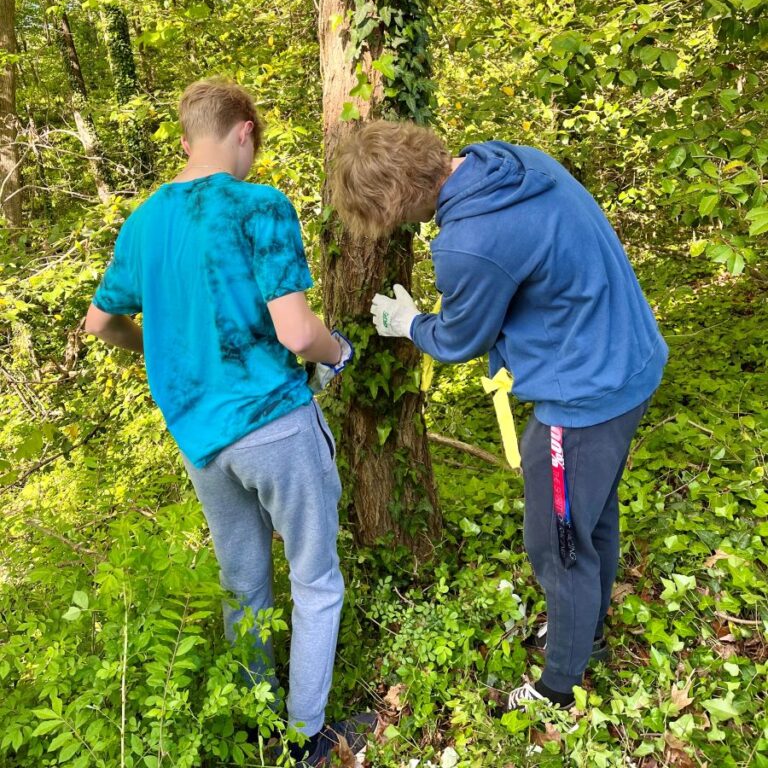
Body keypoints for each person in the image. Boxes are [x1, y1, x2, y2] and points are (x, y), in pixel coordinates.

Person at [330, 121, 668, 712]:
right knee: (591, 519)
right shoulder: (510, 163)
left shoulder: (467, 242)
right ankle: (586, 636)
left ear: (393, 203)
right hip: (631, 357)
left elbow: (462, 337)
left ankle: (559, 690)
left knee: (556, 543)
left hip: (585, 397)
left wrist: (410, 322)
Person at [85, 76, 372, 765]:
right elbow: (298, 333)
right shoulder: (258, 206)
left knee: (244, 584)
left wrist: (154, 346)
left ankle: (253, 723)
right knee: (315, 579)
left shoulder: (144, 222)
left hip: (200, 439)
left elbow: (100, 323)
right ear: (245, 129)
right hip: (272, 419)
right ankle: (307, 738)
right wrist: (341, 351)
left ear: (188, 141)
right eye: (255, 144)